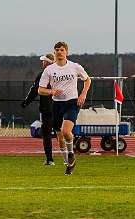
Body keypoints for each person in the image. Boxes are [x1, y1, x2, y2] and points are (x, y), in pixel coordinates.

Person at [38, 41, 91, 175]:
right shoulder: (49, 70)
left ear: (66, 52)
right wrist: (51, 92)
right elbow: (40, 90)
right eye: (57, 50)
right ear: (54, 52)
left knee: (66, 131)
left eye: (62, 50)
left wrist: (83, 94)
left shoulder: (74, 66)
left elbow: (87, 80)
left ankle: (71, 154)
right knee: (60, 137)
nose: (59, 52)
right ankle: (68, 163)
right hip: (57, 104)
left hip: (72, 102)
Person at [21, 53, 55, 165]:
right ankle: (68, 156)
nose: (42, 62)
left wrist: (26, 102)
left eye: (44, 61)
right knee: (62, 132)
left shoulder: (42, 75)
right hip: (60, 106)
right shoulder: (60, 73)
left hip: (47, 108)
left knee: (46, 134)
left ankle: (49, 159)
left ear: (48, 62)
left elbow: (35, 90)